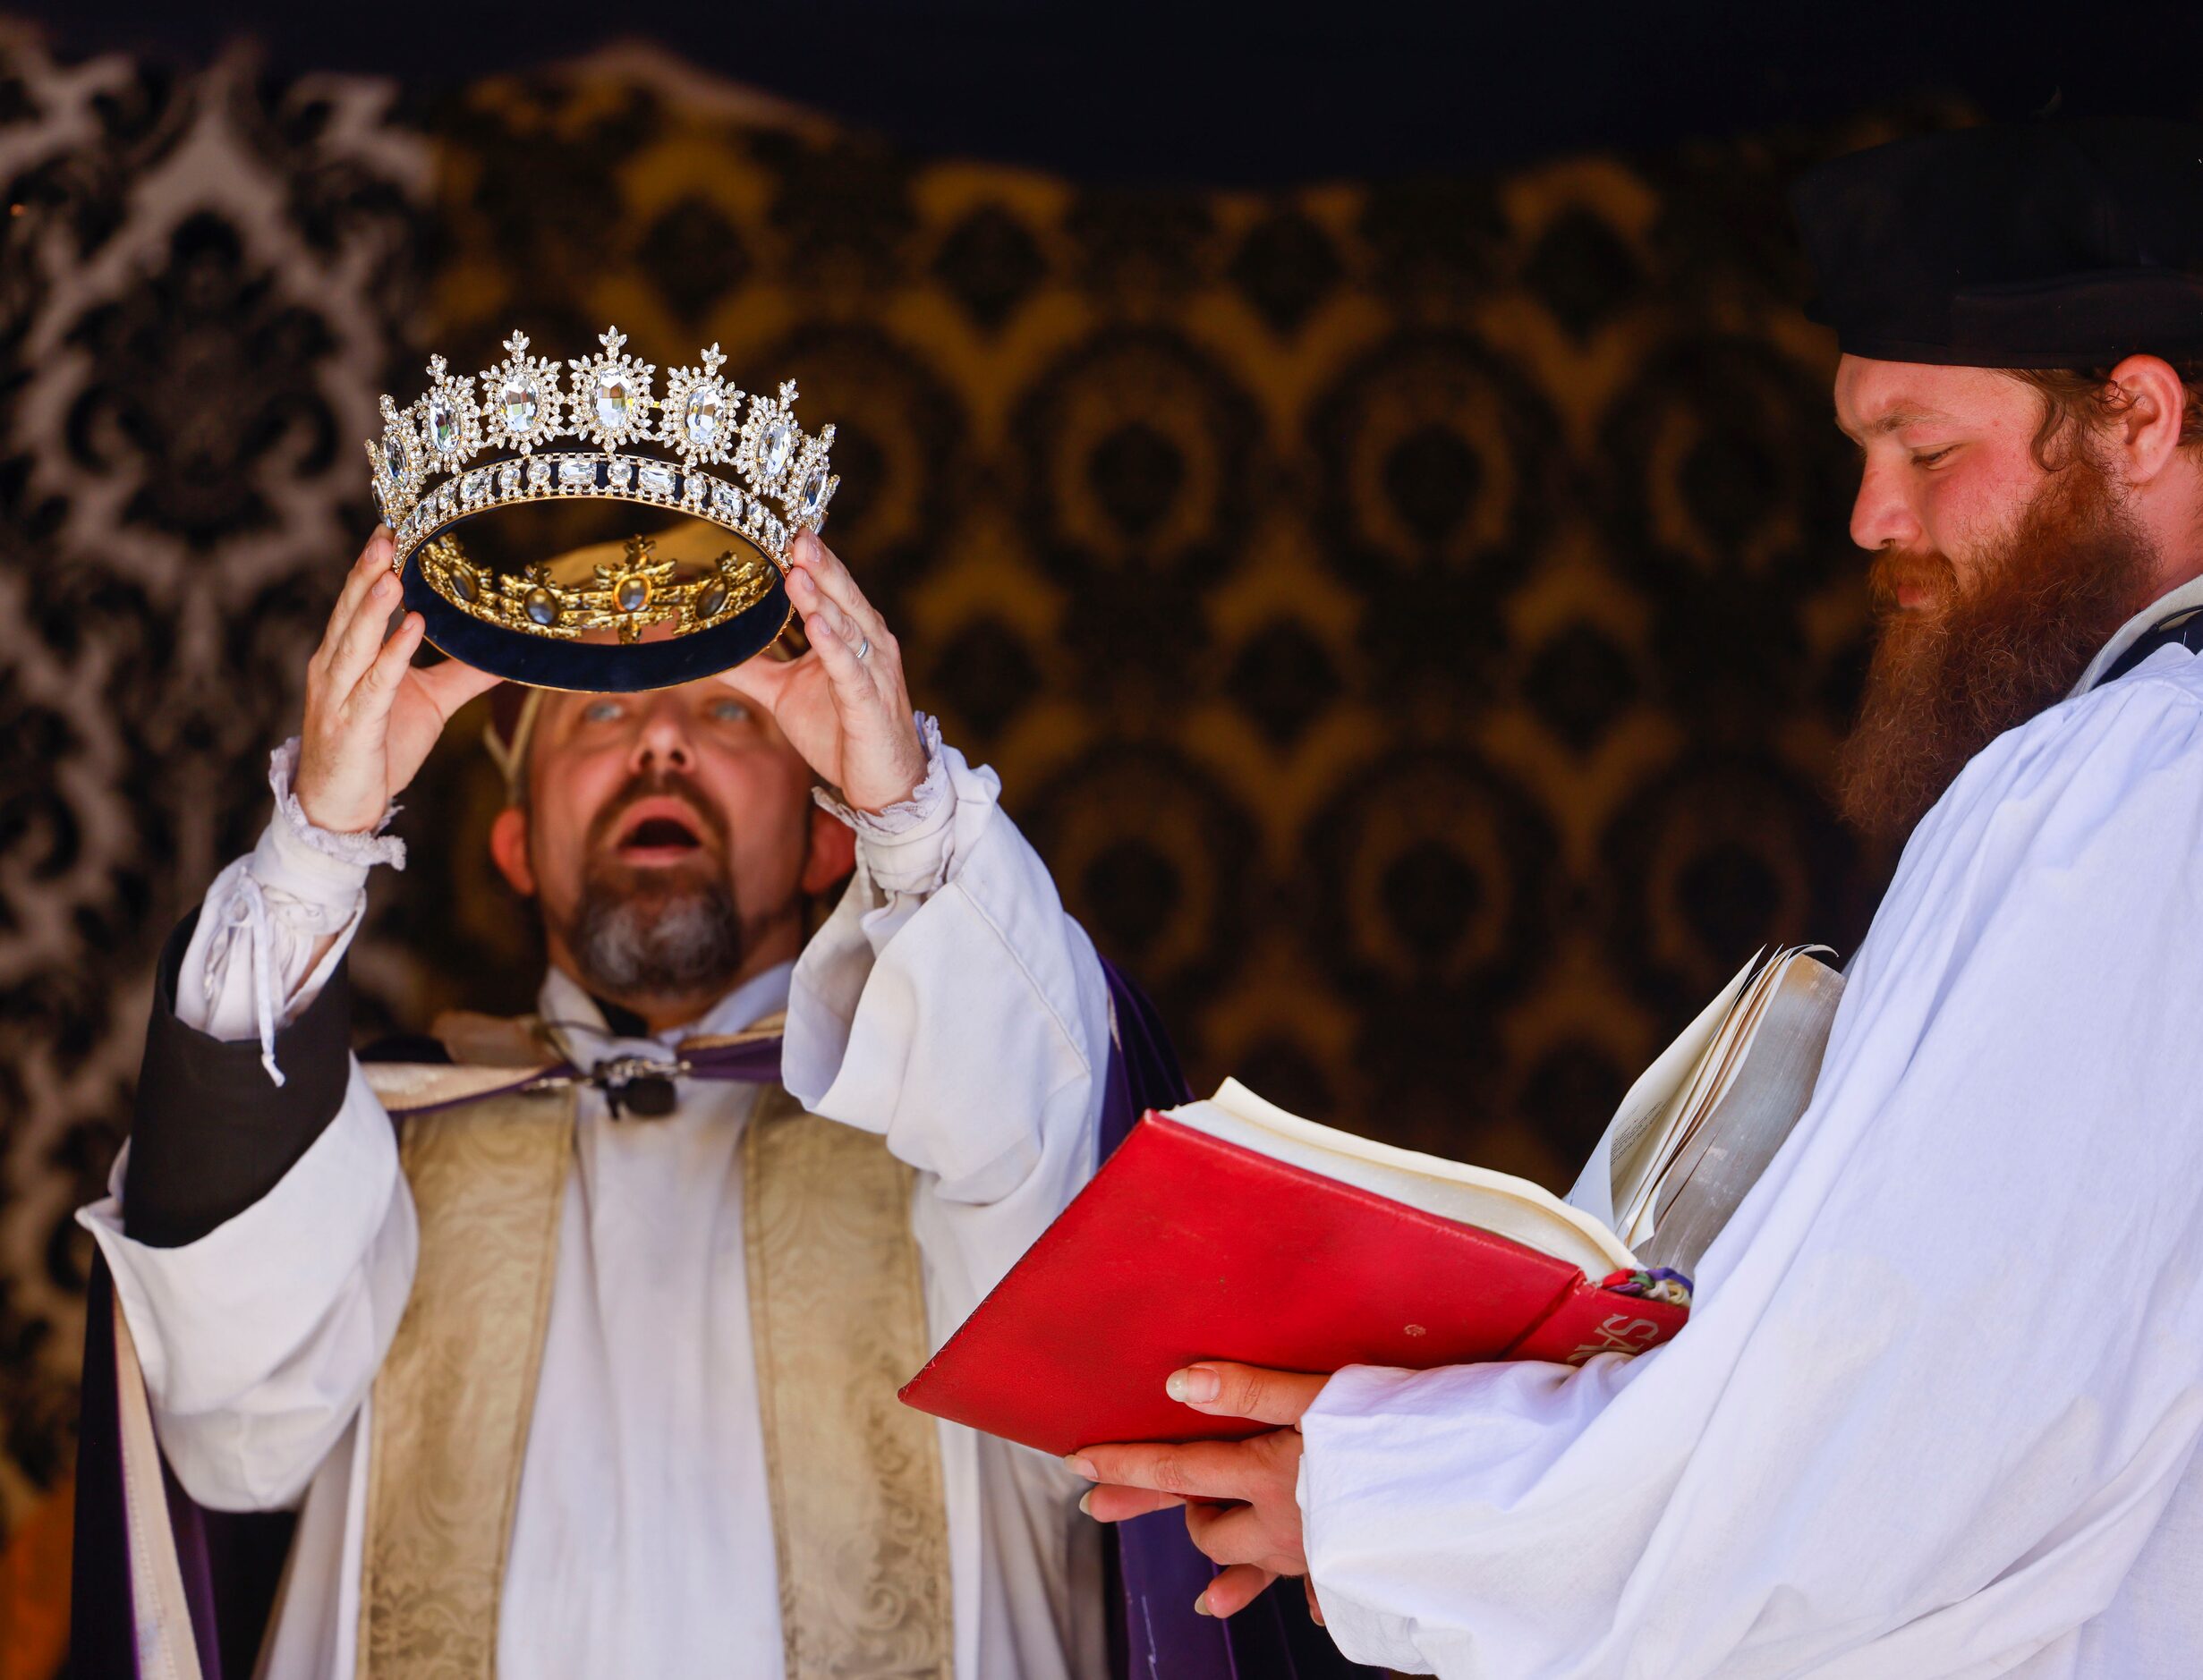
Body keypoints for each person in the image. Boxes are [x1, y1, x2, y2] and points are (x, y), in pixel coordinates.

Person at [1052, 119, 2203, 1676]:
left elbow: (1895, 1409)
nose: (1871, 517)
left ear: (2136, 416)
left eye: (1925, 450)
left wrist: (1395, 1492)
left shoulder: (2122, 789)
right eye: (1861, 455)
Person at [75, 521, 1124, 1679]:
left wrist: (909, 812)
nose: (662, 742)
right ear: (517, 845)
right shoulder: (372, 1153)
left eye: (728, 709)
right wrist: (318, 846)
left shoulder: (956, 1126)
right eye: (600, 714)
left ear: (829, 840)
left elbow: (1055, 1157)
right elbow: (230, 1437)